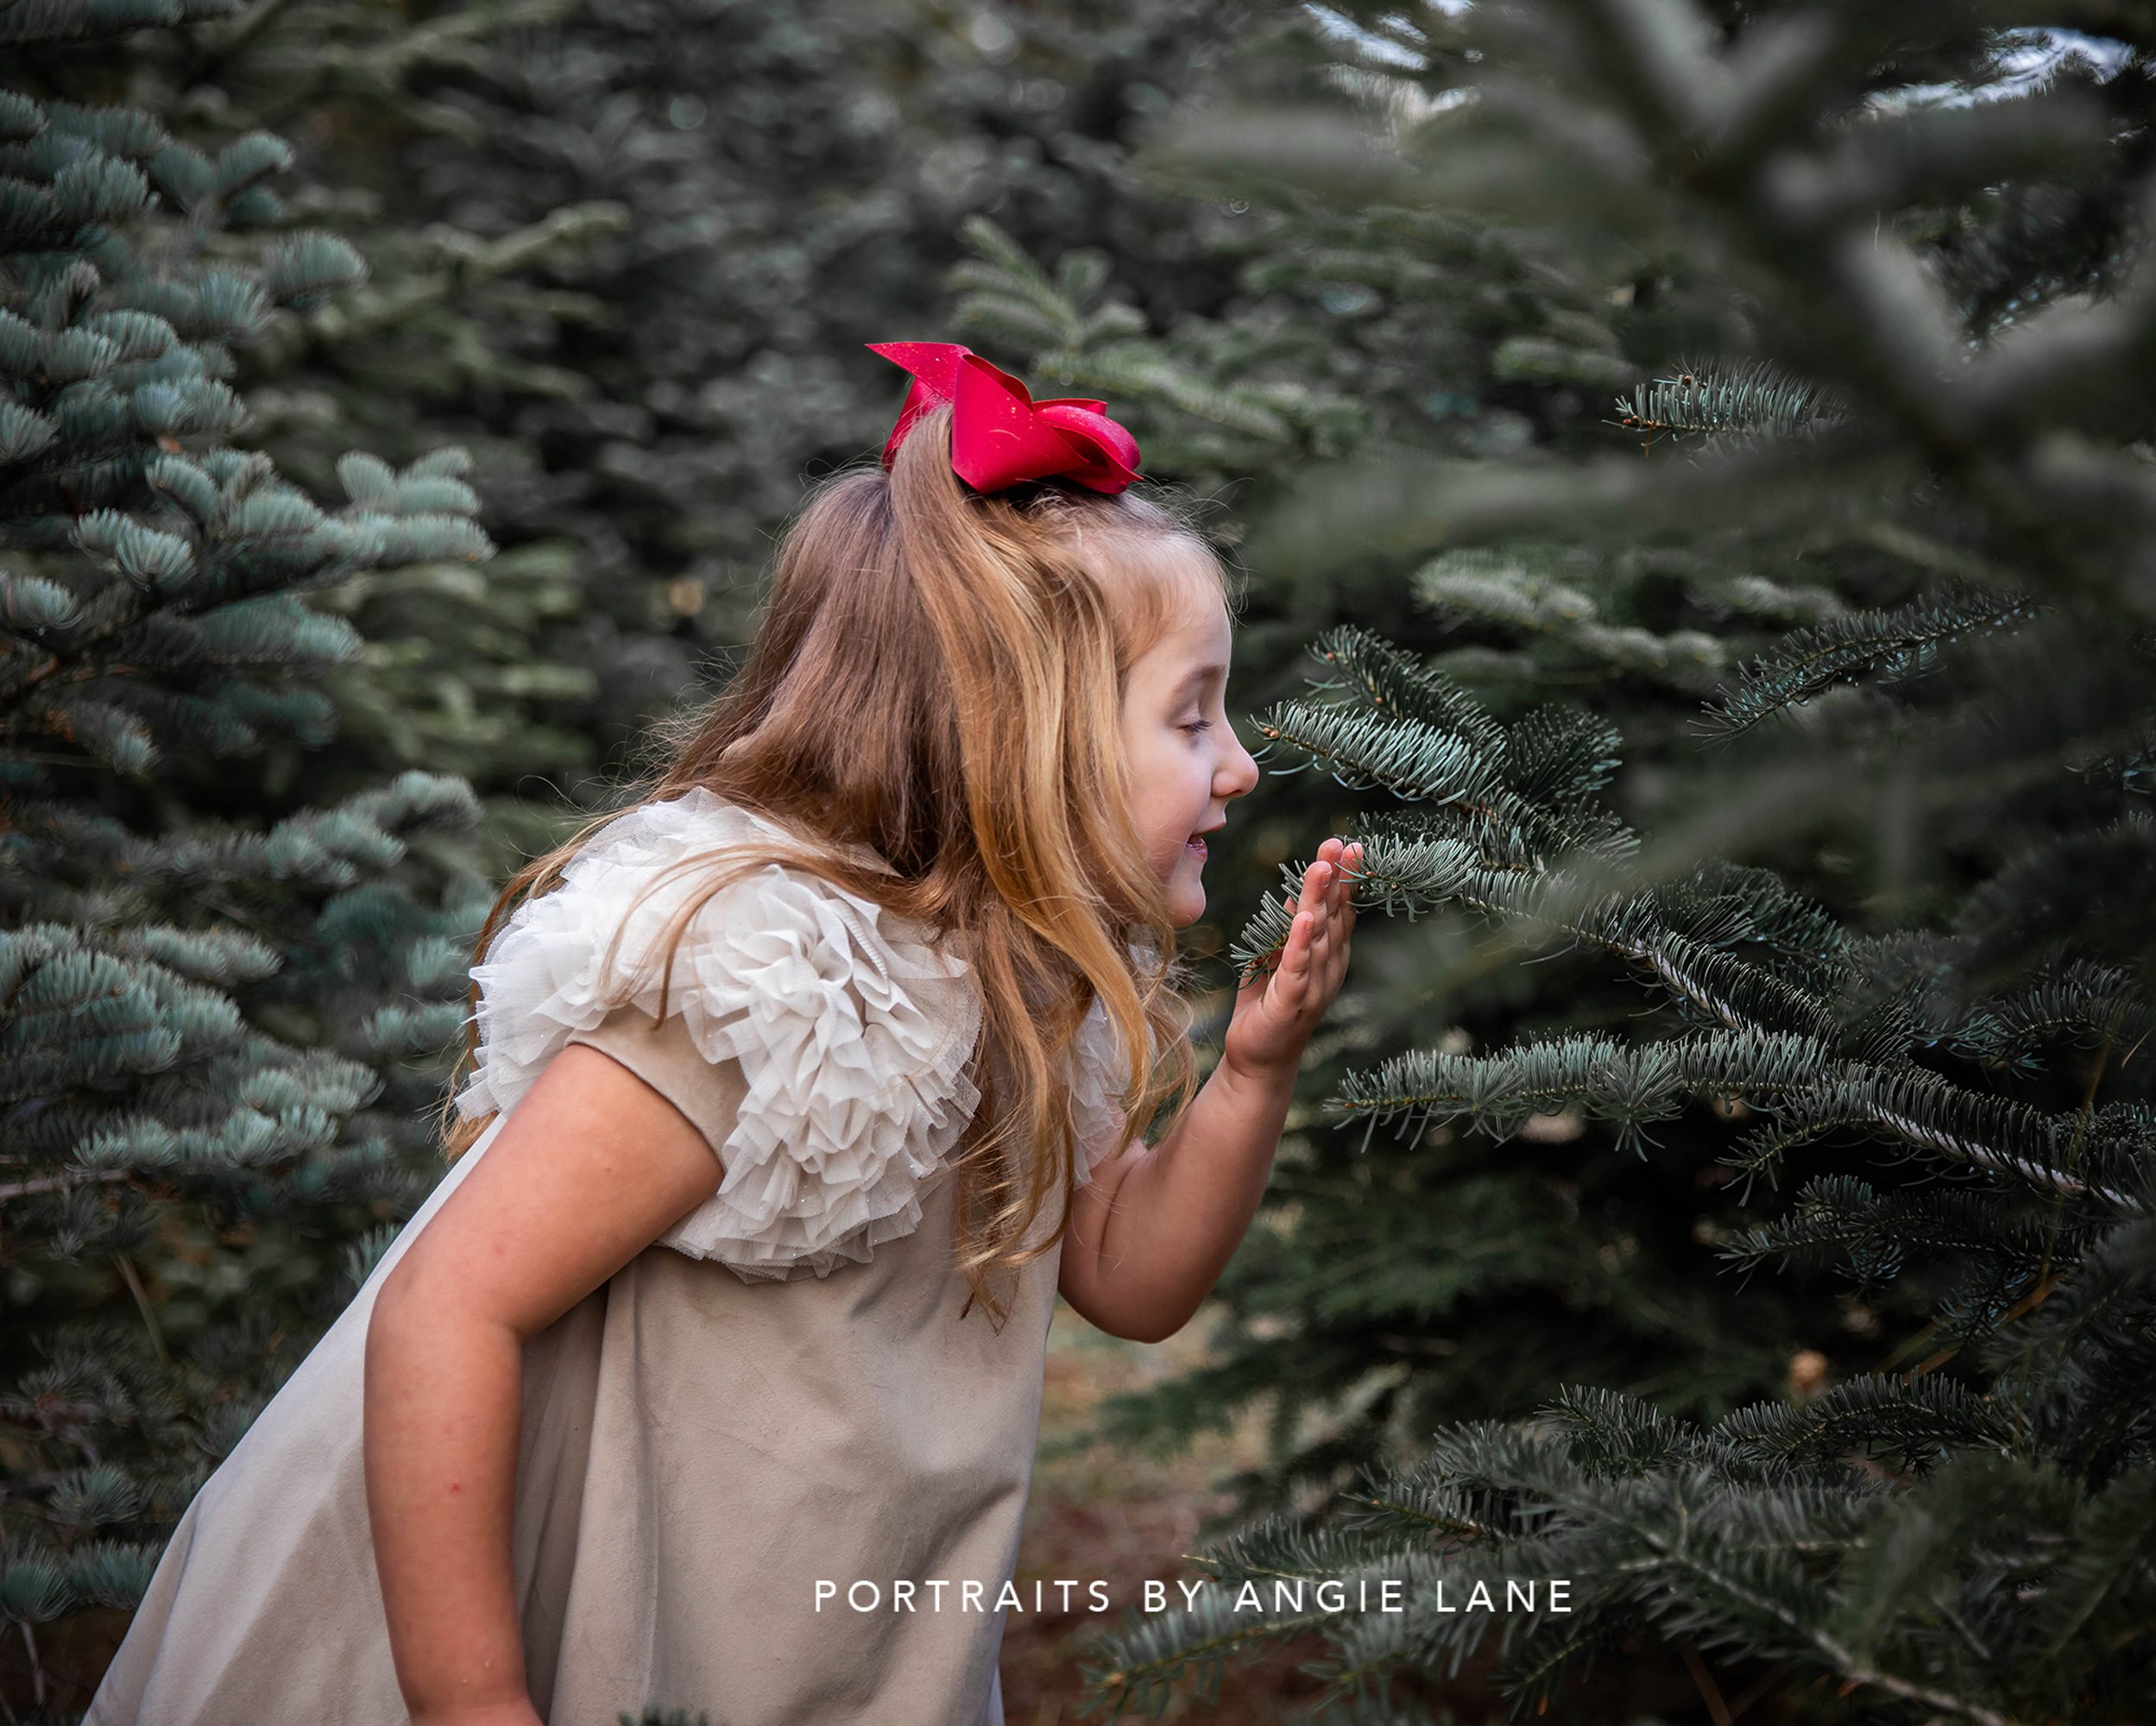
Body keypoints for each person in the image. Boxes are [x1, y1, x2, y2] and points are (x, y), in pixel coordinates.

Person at [82, 342, 1365, 1726]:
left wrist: (1249, 1072)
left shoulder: (1040, 979)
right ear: (1020, 736)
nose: (1239, 762)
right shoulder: (764, 990)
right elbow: (447, 1309)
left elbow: (1130, 1277)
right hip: (557, 1643)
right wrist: (474, 1709)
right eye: (1191, 716)